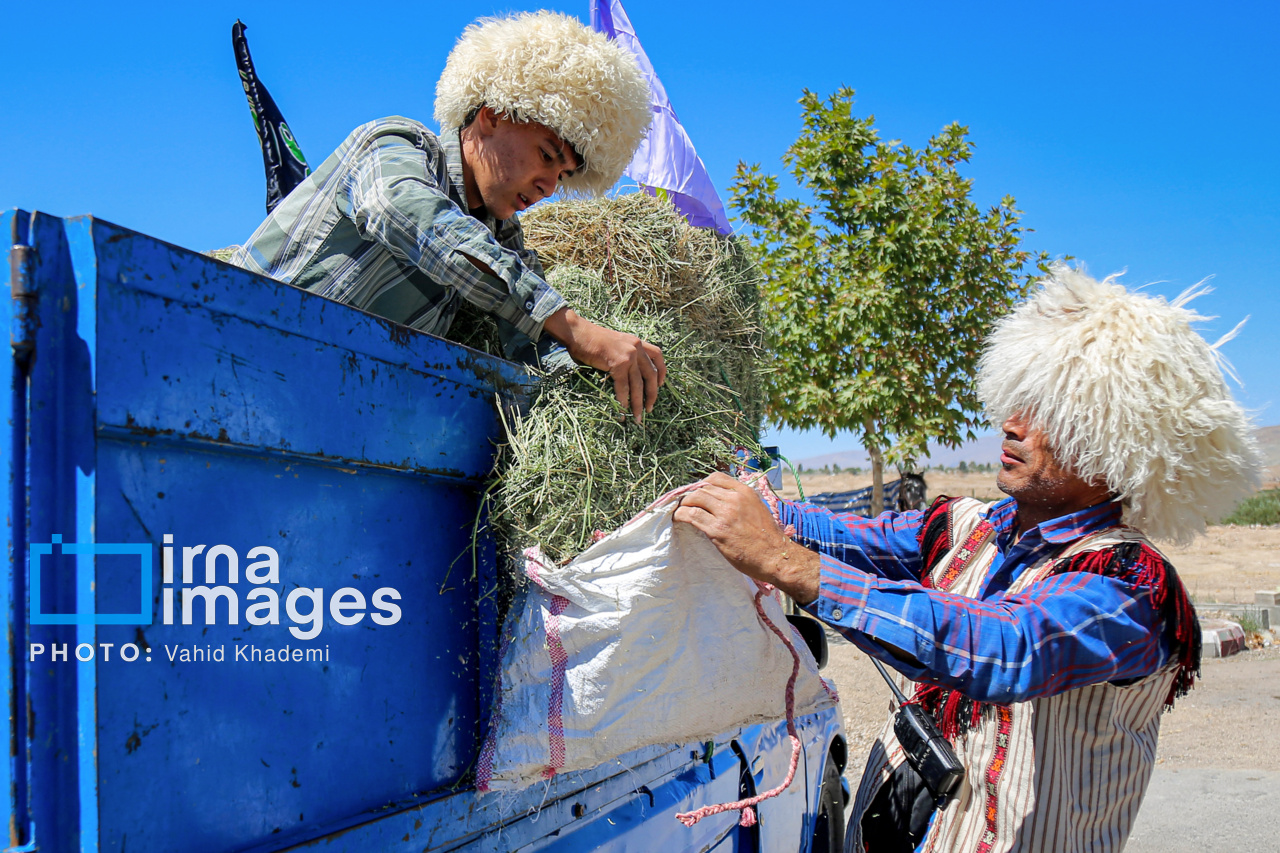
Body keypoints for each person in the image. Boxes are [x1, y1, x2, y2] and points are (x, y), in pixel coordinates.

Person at [674, 266, 1261, 853]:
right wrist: (748, 501)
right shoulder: (970, 526)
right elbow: (845, 536)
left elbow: (1009, 649)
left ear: (1115, 447)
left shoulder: (1131, 587)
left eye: (1051, 413)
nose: (1012, 424)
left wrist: (791, 566)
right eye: (1021, 398)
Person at [232, 12, 665, 422]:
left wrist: (603, 376)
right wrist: (575, 328)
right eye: (547, 156)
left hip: (307, 406)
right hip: (229, 351)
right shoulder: (392, 144)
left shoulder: (501, 236)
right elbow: (418, 220)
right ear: (492, 116)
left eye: (563, 175)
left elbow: (533, 337)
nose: (549, 186)